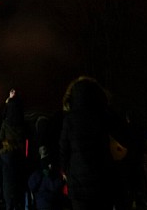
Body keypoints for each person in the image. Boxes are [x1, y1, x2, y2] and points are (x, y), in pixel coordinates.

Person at [59, 76, 115, 210]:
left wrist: (66, 171)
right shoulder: (104, 116)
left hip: (78, 183)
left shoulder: (70, 120)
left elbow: (63, 149)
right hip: (102, 180)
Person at [26, 146, 66, 210]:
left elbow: (31, 185)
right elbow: (54, 186)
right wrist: (63, 180)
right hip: (51, 204)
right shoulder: (49, 175)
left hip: (40, 204)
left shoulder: (36, 174)